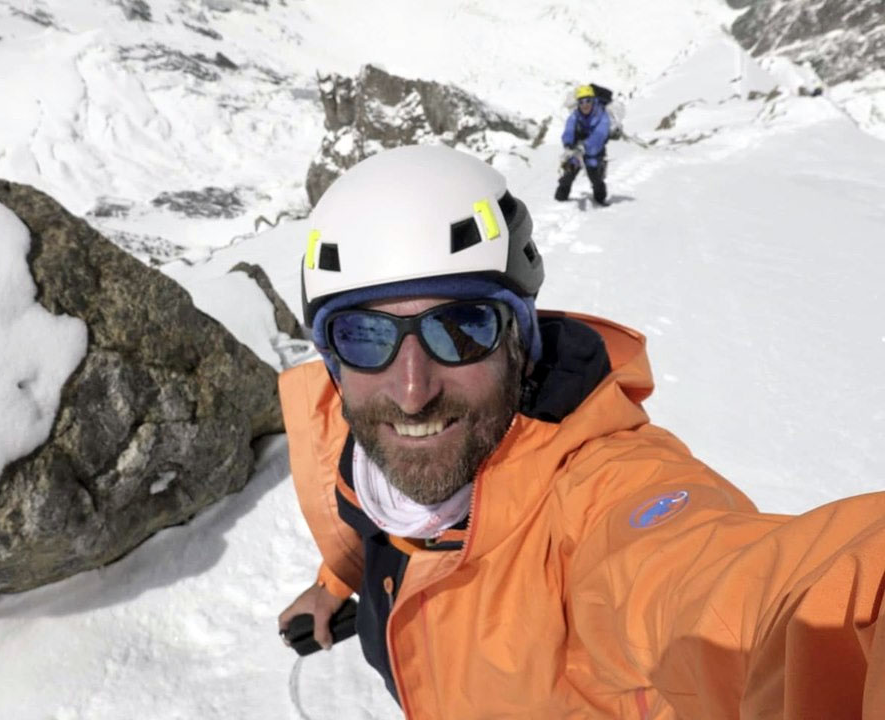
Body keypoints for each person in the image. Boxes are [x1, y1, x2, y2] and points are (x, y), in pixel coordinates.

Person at [277, 144, 885, 719]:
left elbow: (732, 599)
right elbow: (371, 519)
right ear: (332, 361)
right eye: (364, 335)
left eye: (462, 328)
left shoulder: (597, 495)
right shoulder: (360, 458)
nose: (412, 392)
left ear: (521, 338)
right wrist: (334, 583)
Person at [555, 84, 611, 206]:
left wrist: (585, 146)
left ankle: (600, 200)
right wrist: (568, 143)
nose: (585, 104)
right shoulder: (575, 115)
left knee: (596, 179)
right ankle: (559, 200)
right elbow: (569, 129)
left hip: (594, 153)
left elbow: (600, 135)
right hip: (576, 151)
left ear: (593, 100)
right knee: (567, 175)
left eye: (588, 101)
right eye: (581, 102)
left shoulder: (602, 115)